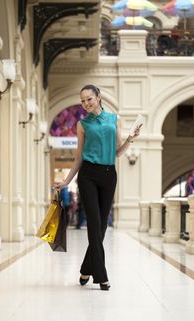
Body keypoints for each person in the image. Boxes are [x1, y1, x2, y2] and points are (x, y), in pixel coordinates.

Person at [54, 84, 141, 291]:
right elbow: (78, 157)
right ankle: (101, 276)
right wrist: (66, 182)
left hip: (109, 175)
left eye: (89, 99)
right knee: (93, 223)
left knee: (101, 226)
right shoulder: (82, 125)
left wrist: (130, 139)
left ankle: (86, 268)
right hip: (88, 176)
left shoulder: (114, 119)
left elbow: (117, 152)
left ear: (98, 97)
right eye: (82, 100)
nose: (85, 104)